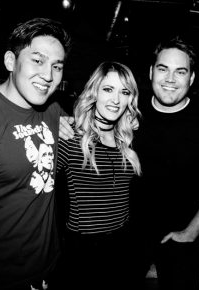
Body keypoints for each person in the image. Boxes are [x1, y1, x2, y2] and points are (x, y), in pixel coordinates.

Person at [58, 36, 199, 290]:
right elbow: (94, 119)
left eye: (180, 71)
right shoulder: (129, 113)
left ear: (192, 78)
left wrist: (192, 232)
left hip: (181, 242)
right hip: (127, 239)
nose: (170, 79)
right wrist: (63, 120)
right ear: (152, 72)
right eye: (163, 69)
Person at [0, 17, 72, 290]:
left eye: (56, 66)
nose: (48, 75)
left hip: (46, 268)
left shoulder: (53, 109)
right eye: (37, 60)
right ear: (11, 61)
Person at [56, 61, 141, 289]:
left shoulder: (128, 140)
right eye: (108, 89)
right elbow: (33, 192)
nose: (116, 100)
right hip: (83, 251)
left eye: (124, 92)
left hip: (123, 247)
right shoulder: (72, 137)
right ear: (94, 92)